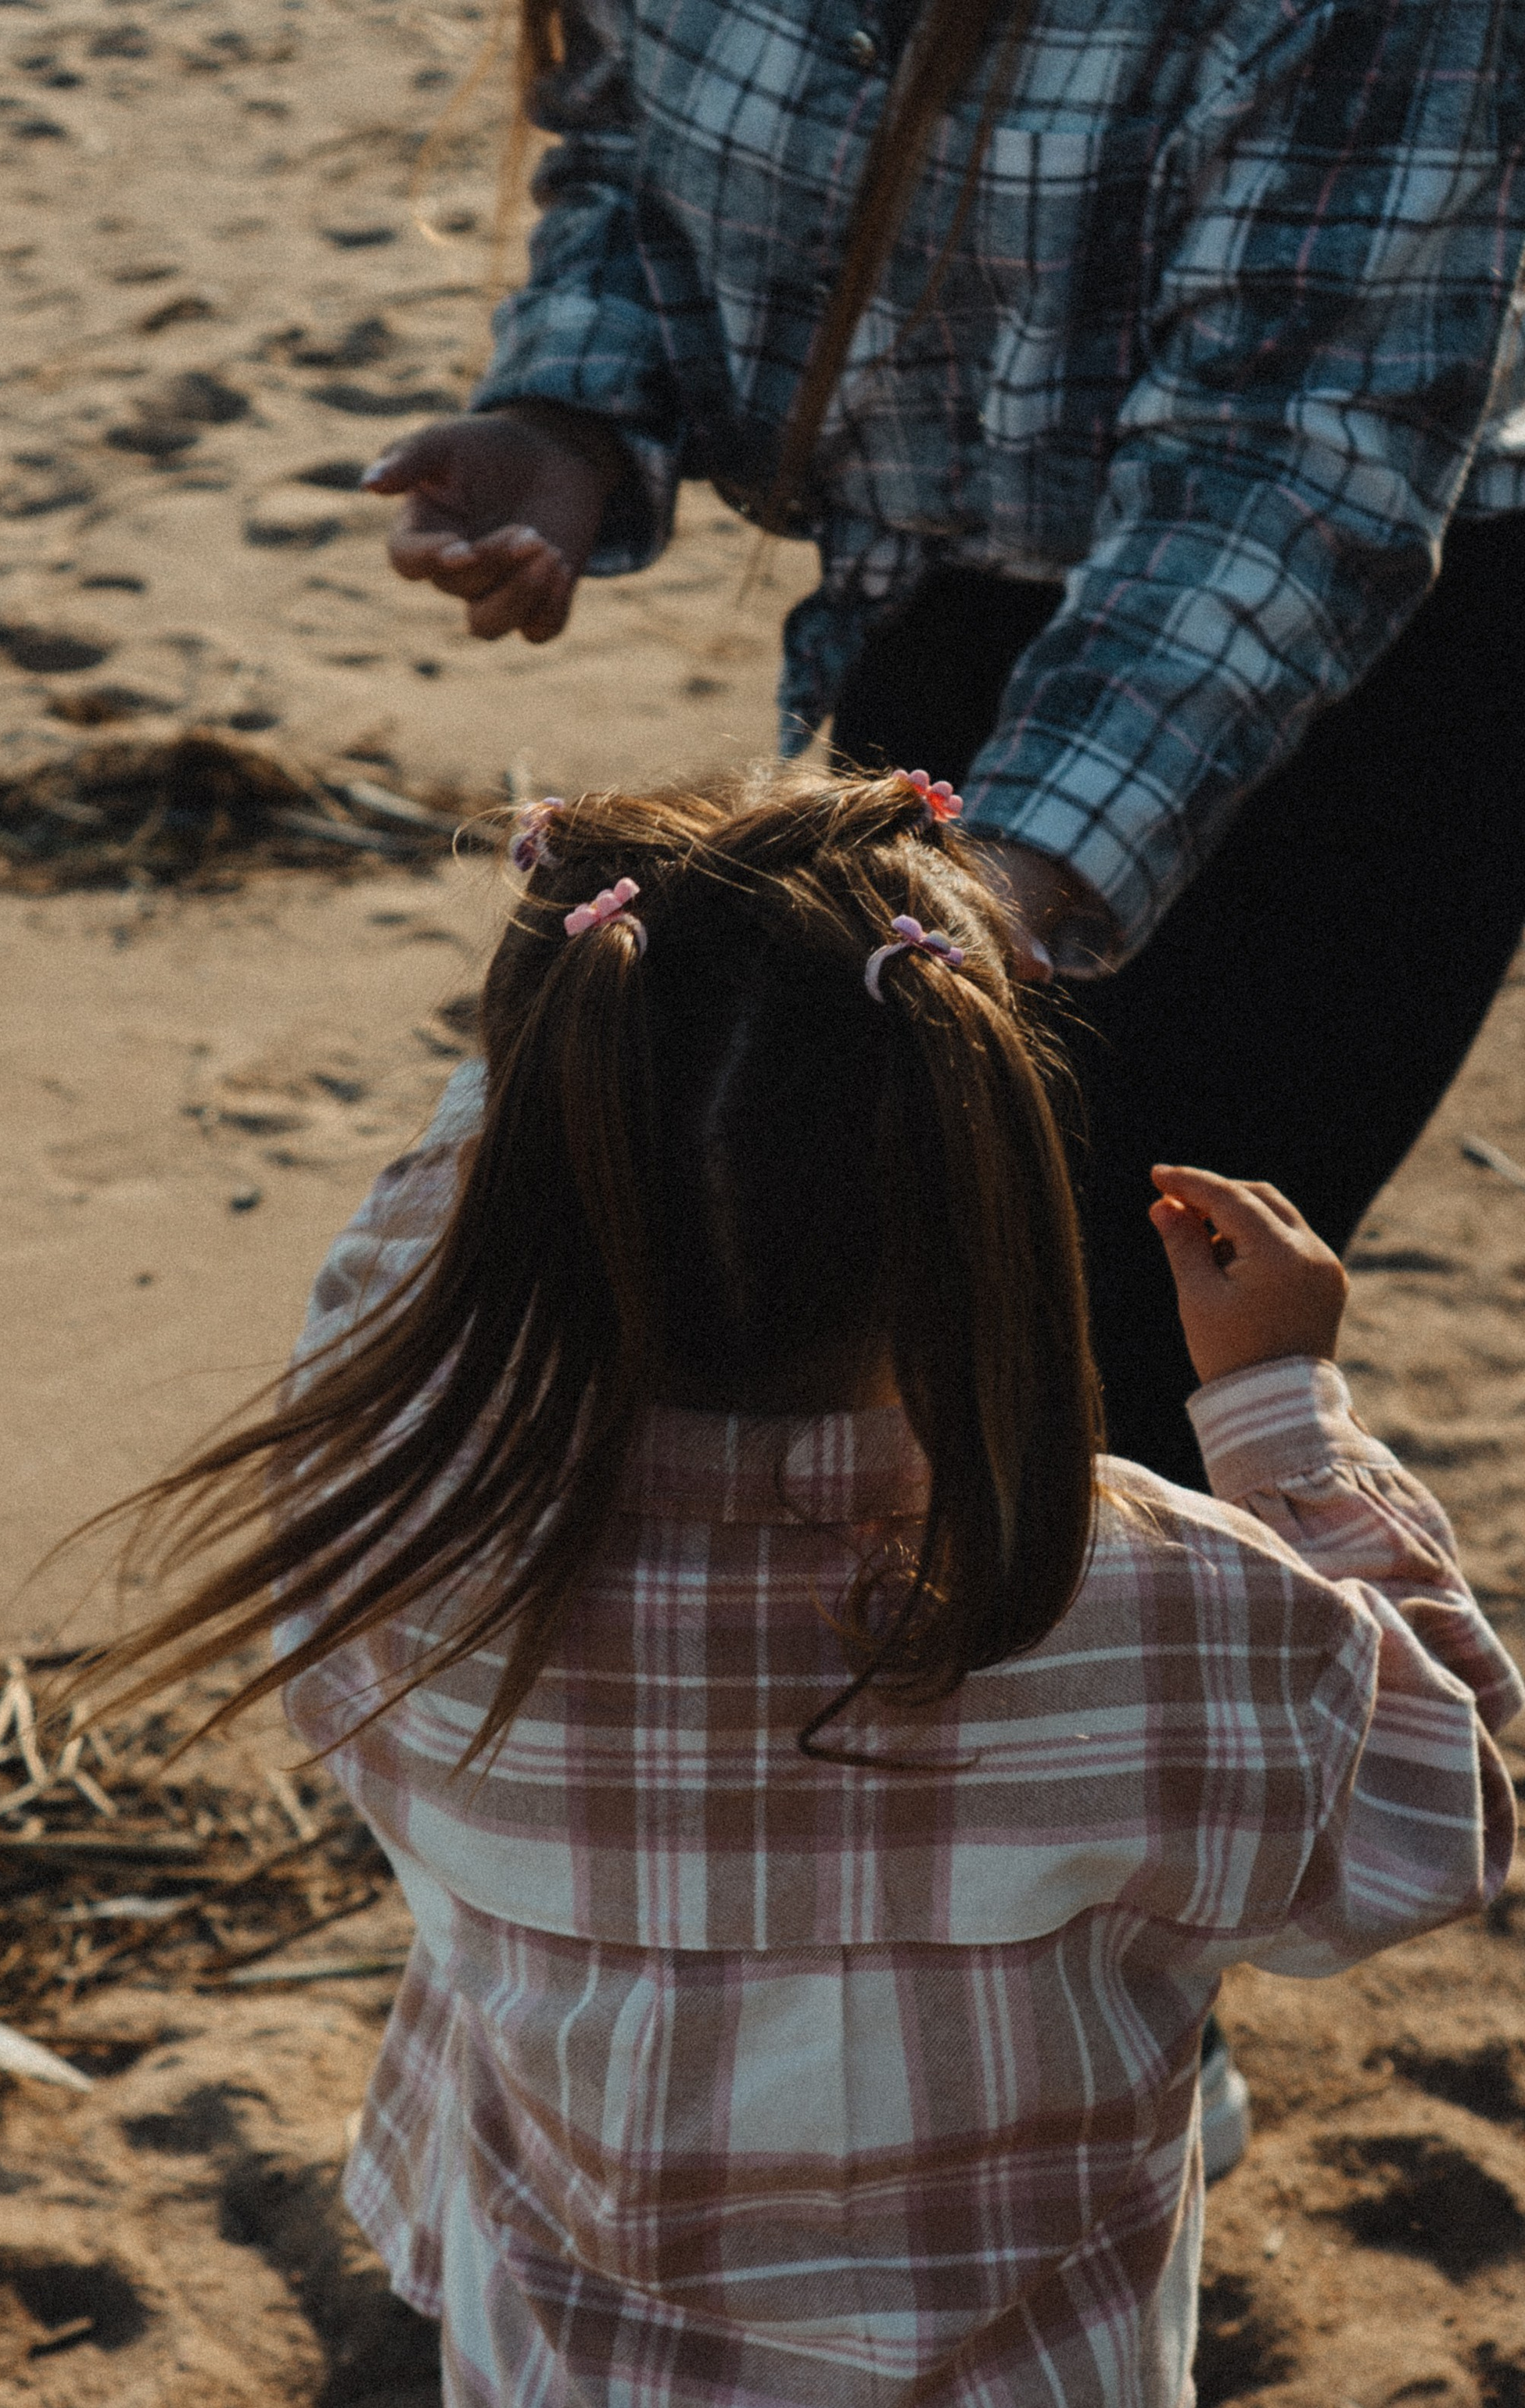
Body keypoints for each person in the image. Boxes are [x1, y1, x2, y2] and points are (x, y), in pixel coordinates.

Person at [83, 776, 1520, 2408]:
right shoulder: (1168, 1615)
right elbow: (1443, 1816)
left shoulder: (410, 1566)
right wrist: (1289, 1424)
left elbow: (407, 1257)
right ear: (979, 1212)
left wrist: (578, 1027)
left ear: (535, 1188)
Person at [361, 0, 1525, 1488]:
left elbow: (1295, 457)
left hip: (1330, 706)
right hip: (931, 639)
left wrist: (1004, 882)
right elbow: (631, 151)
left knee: (1107, 1396)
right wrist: (574, 417)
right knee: (861, 1360)